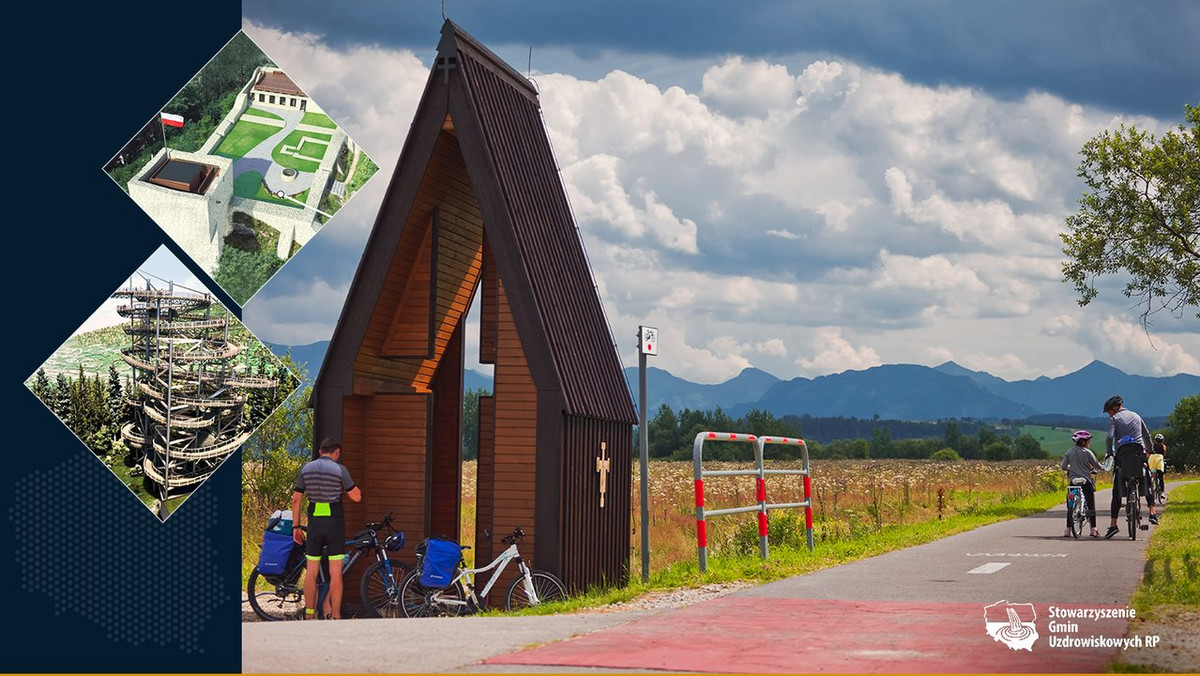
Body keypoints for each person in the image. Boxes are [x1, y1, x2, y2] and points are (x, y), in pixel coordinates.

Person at [292, 437, 362, 619]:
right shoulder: (340, 470)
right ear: (336, 452)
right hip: (334, 522)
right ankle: (335, 615)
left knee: (312, 570)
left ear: (320, 452)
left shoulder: (307, 469)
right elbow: (356, 497)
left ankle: (309, 613)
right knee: (335, 571)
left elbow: (296, 499)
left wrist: (296, 526)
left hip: (315, 521)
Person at [1101, 395, 1158, 538]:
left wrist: (1109, 453)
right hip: (1139, 453)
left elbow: (1109, 437)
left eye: (1109, 411)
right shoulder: (1136, 416)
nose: (1109, 414)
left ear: (1115, 408)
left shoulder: (1114, 419)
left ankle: (1113, 525)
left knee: (1116, 488)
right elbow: (1147, 435)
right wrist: (1150, 451)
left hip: (1122, 455)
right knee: (1146, 477)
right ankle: (1152, 512)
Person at [1062, 430, 1103, 537]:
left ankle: (1068, 529)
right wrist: (1103, 467)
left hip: (1073, 481)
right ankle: (1093, 529)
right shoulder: (1088, 452)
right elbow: (1096, 464)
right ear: (1084, 442)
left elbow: (1063, 467)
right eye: (1088, 441)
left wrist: (1070, 467)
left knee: (1071, 505)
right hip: (1085, 481)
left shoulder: (1069, 452)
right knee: (1090, 503)